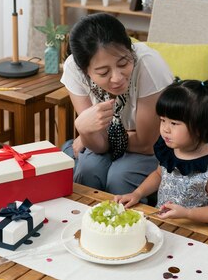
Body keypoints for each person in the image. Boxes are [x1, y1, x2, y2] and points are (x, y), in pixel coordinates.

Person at [60, 13, 173, 195]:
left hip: (155, 144)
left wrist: (94, 137)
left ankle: (131, 222)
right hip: (122, 139)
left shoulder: (149, 65)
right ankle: (85, 222)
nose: (117, 78)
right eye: (103, 73)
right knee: (88, 169)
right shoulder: (74, 69)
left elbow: (146, 144)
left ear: (130, 50)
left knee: (120, 178)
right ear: (85, 71)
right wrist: (84, 129)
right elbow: (97, 143)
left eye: (123, 63)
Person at [115, 79, 208, 228]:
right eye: (163, 120)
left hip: (198, 233)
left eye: (174, 123)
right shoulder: (171, 150)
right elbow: (159, 175)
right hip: (168, 224)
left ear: (200, 127)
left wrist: (187, 213)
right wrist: (137, 193)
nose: (165, 128)